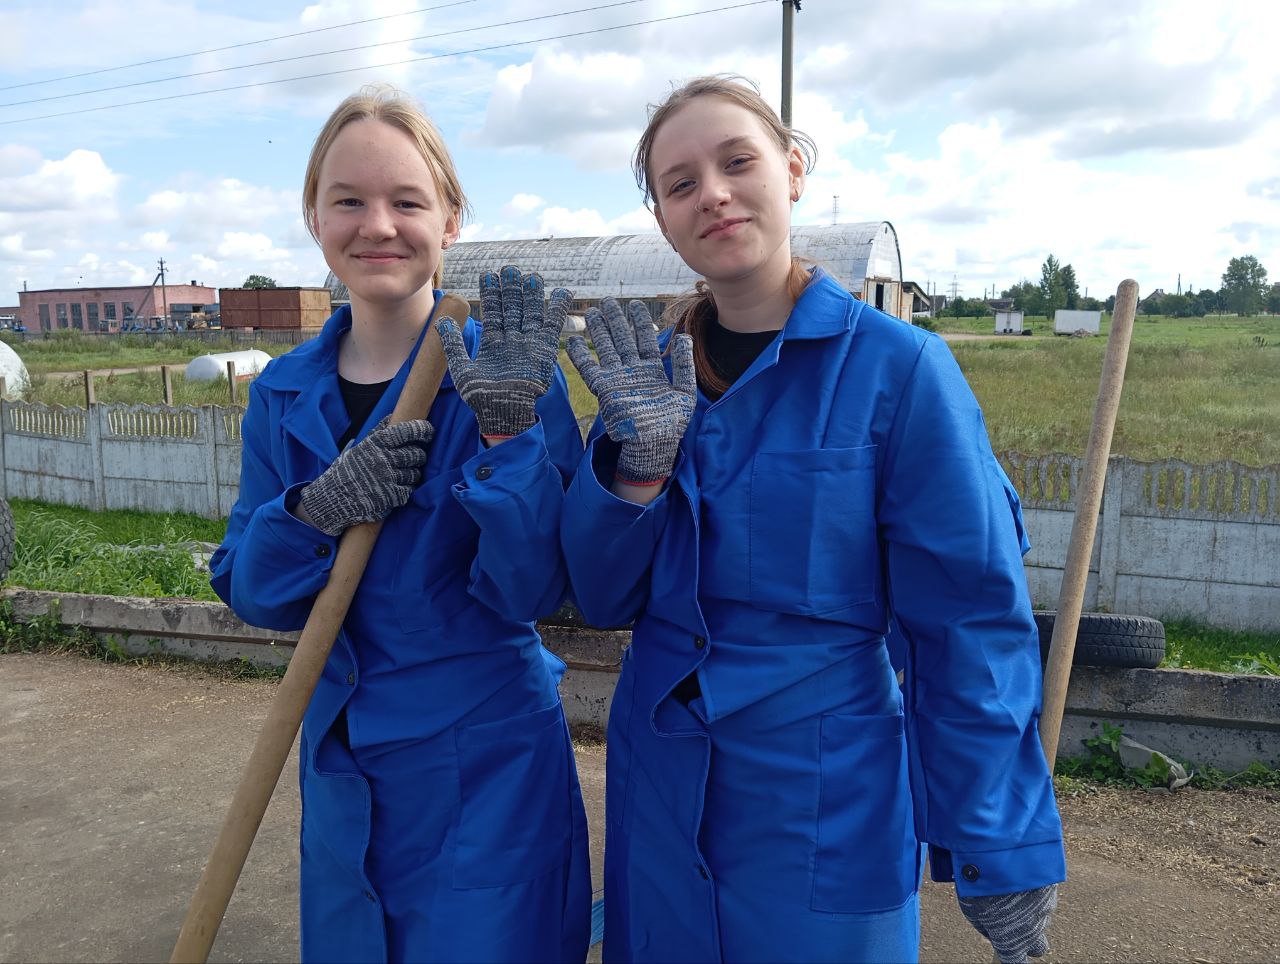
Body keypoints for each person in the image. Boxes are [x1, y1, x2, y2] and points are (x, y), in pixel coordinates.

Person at [562, 75, 1065, 964]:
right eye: (680, 183)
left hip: (826, 793)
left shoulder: (899, 371)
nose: (712, 194)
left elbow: (968, 621)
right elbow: (601, 596)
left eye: (737, 162)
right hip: (660, 785)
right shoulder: (646, 380)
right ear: (664, 218)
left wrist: (1001, 837)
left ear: (792, 171)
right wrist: (638, 469)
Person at [210, 85, 590, 963]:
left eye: (408, 202)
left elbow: (542, 588)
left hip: (487, 763)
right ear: (314, 217)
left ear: (450, 221)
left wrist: (507, 440)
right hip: (339, 757)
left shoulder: (509, 376)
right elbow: (252, 592)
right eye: (349, 200)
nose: (378, 225)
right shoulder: (282, 393)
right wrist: (313, 511)